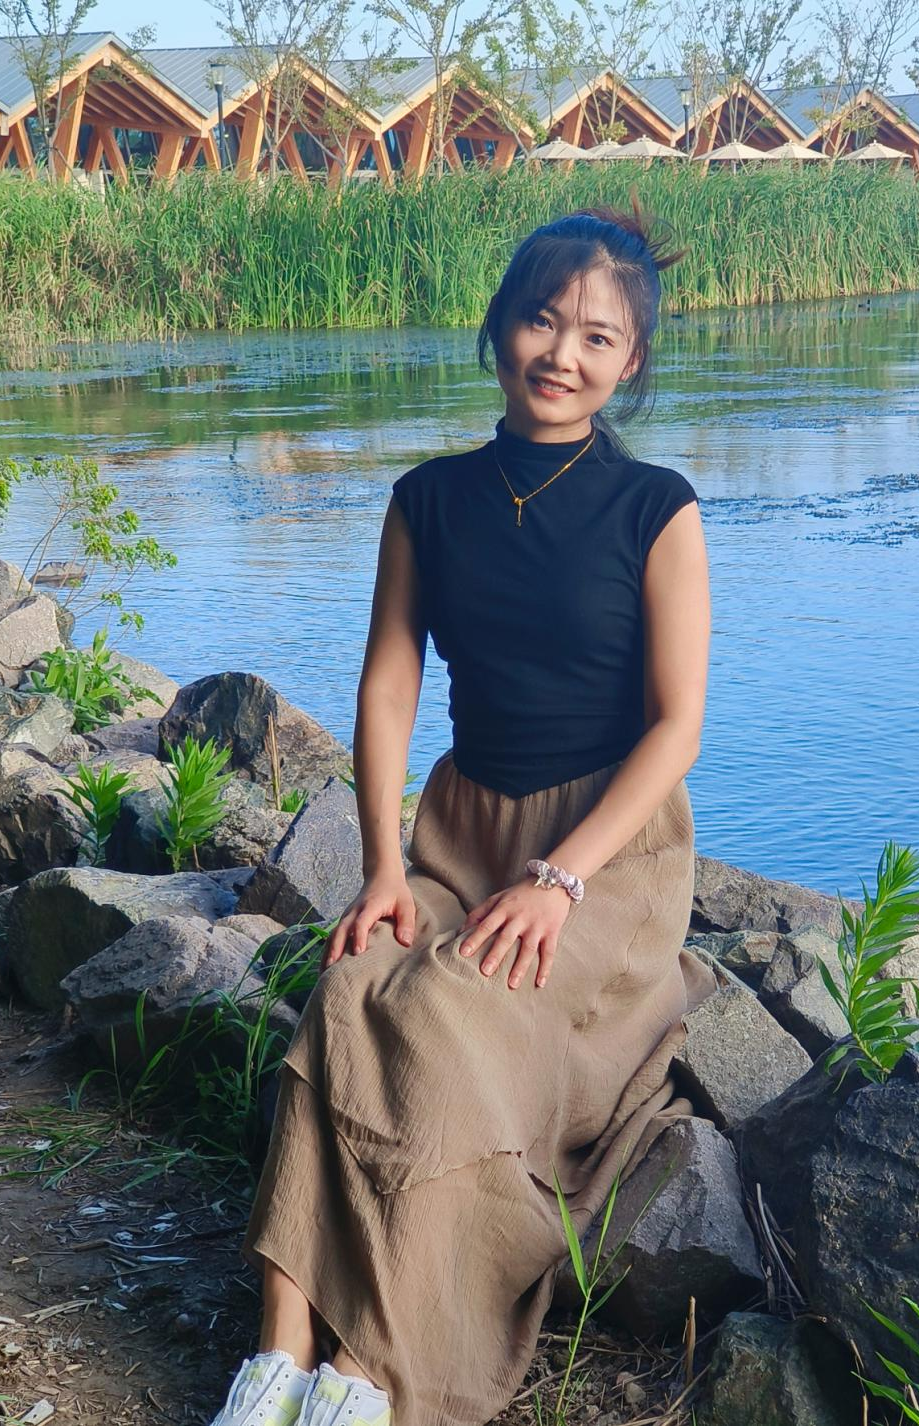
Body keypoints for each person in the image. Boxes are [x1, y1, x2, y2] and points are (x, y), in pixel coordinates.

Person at [207, 203, 714, 1426]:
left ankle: (373, 1367)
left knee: (443, 1009)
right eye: (542, 320)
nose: (562, 353)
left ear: (630, 362)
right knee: (350, 987)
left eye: (597, 337)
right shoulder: (427, 499)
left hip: (607, 859)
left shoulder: (657, 508)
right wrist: (384, 867)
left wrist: (559, 879)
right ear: (498, 326)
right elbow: (389, 685)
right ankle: (278, 1353)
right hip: (457, 833)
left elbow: (676, 727)